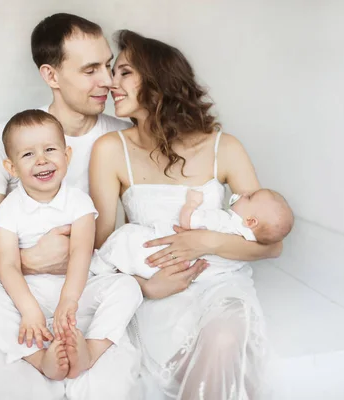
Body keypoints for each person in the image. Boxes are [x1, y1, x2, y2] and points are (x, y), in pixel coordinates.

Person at [0, 14, 140, 400]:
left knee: (109, 389)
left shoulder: (124, 138)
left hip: (89, 290)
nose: (107, 81)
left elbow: (137, 237)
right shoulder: (9, 138)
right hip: (25, 300)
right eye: (90, 70)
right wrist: (32, 259)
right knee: (17, 387)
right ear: (51, 75)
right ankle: (39, 359)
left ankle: (90, 352)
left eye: (108, 65)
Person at [89, 30, 285, 400]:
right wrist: (146, 288)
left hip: (218, 285)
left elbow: (271, 247)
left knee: (224, 339)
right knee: (174, 362)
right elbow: (101, 248)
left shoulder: (222, 148)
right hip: (157, 289)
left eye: (124, 72)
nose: (110, 82)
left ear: (159, 82)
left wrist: (205, 241)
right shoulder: (110, 150)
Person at [0, 109, 142, 382]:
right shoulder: (8, 209)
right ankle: (39, 359)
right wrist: (28, 310)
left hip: (76, 287)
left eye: (50, 149)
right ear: (11, 168)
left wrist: (68, 301)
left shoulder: (79, 203)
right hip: (29, 290)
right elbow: (9, 264)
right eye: (28, 154)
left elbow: (81, 253)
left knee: (127, 287)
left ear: (67, 156)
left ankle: (92, 348)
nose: (41, 160)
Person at [91, 188, 293, 279]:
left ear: (250, 221)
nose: (243, 193)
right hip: (187, 273)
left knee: (126, 237)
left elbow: (188, 221)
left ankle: (96, 267)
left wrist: (192, 203)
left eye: (249, 197)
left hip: (165, 253)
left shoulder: (223, 220)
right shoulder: (244, 251)